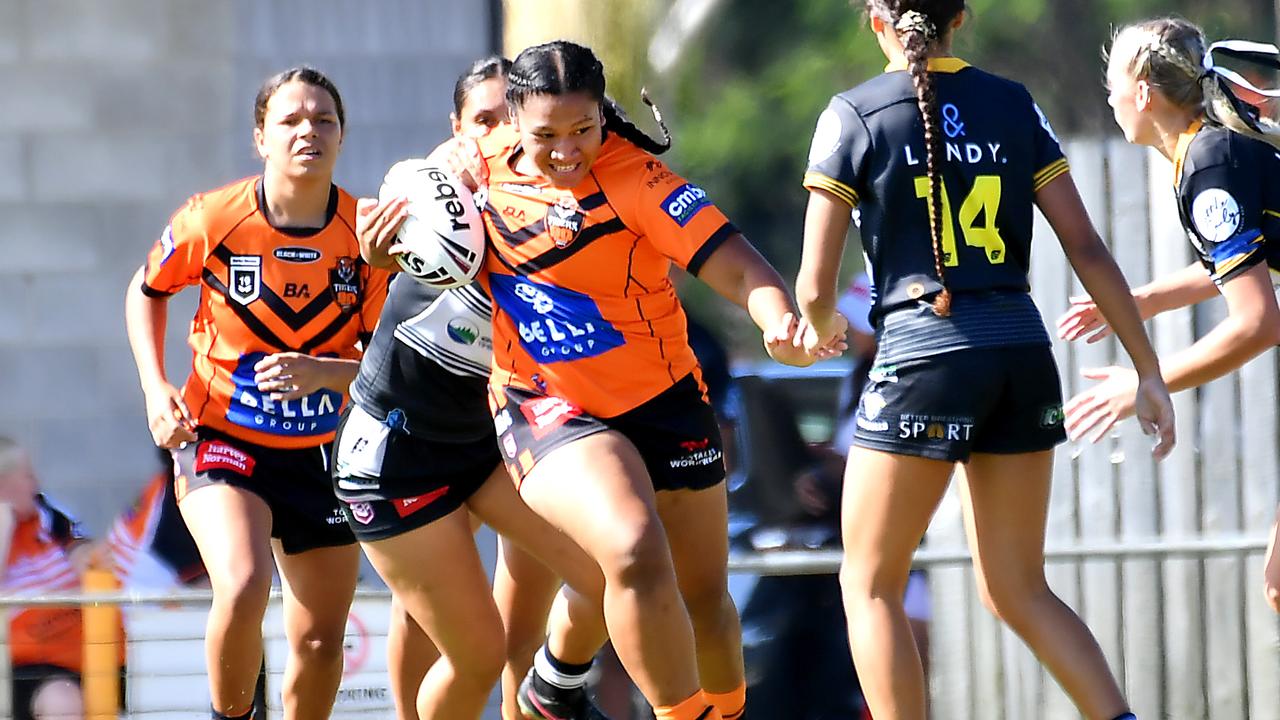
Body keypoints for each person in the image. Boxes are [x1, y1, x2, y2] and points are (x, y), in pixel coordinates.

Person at [435, 39, 841, 720]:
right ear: (511, 120)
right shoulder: (472, 167)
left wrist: (779, 324)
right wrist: (392, 227)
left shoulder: (639, 180)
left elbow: (741, 269)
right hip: (545, 406)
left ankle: (554, 685)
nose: (566, 151)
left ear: (603, 116)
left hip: (666, 402)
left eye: (582, 130)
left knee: (706, 599)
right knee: (631, 546)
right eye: (545, 136)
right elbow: (402, 213)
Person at [793, 3, 1177, 720]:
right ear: (961, 17)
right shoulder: (1012, 103)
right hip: (1021, 357)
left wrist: (814, 330)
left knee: (869, 584)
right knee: (1017, 587)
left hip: (925, 357)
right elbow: (1086, 247)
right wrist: (1147, 370)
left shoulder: (853, 112)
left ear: (873, 18)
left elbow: (816, 287)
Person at [336, 54, 607, 720]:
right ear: (458, 131)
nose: (495, 138)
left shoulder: (557, 207)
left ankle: (552, 692)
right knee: (475, 652)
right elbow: (411, 209)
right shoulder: (437, 198)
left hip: (485, 445)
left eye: (507, 122)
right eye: (480, 122)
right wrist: (380, 249)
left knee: (611, 571)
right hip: (395, 458)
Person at [123, 66, 390, 720]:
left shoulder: (366, 236)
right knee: (242, 585)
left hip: (321, 454)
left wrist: (328, 375)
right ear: (260, 138)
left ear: (342, 136)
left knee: (322, 641)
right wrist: (156, 389)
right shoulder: (214, 217)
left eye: (323, 120)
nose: (309, 131)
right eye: (291, 120)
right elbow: (145, 291)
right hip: (221, 439)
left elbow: (391, 365)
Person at [1055, 19, 1280, 616]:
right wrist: (1145, 301)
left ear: (1145, 92)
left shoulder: (1208, 164)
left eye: (1113, 85)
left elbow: (1258, 321)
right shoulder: (1206, 154)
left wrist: (1144, 383)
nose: (1108, 98)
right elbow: (1246, 262)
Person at [0, 437, 103, 720]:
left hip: (89, 651)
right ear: (4, 483)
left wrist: (85, 556)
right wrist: (4, 518)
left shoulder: (47, 517)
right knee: (61, 701)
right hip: (30, 663)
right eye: (27, 476)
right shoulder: (8, 527)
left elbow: (87, 553)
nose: (35, 485)